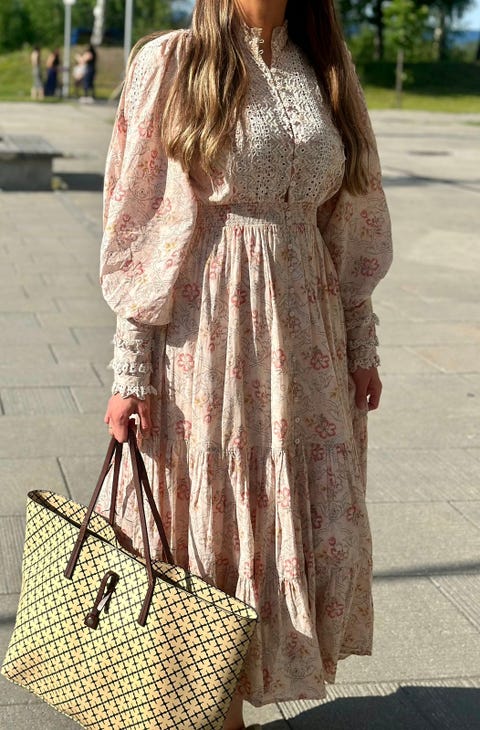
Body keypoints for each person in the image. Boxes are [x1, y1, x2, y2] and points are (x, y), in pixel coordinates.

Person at [99, 0, 393, 728]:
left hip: (309, 340)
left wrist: (360, 340)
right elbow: (138, 222)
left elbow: (350, 215)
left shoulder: (326, 66)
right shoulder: (172, 62)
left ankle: (240, 688)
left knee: (288, 509)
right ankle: (214, 710)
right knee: (213, 517)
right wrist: (131, 368)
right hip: (207, 335)